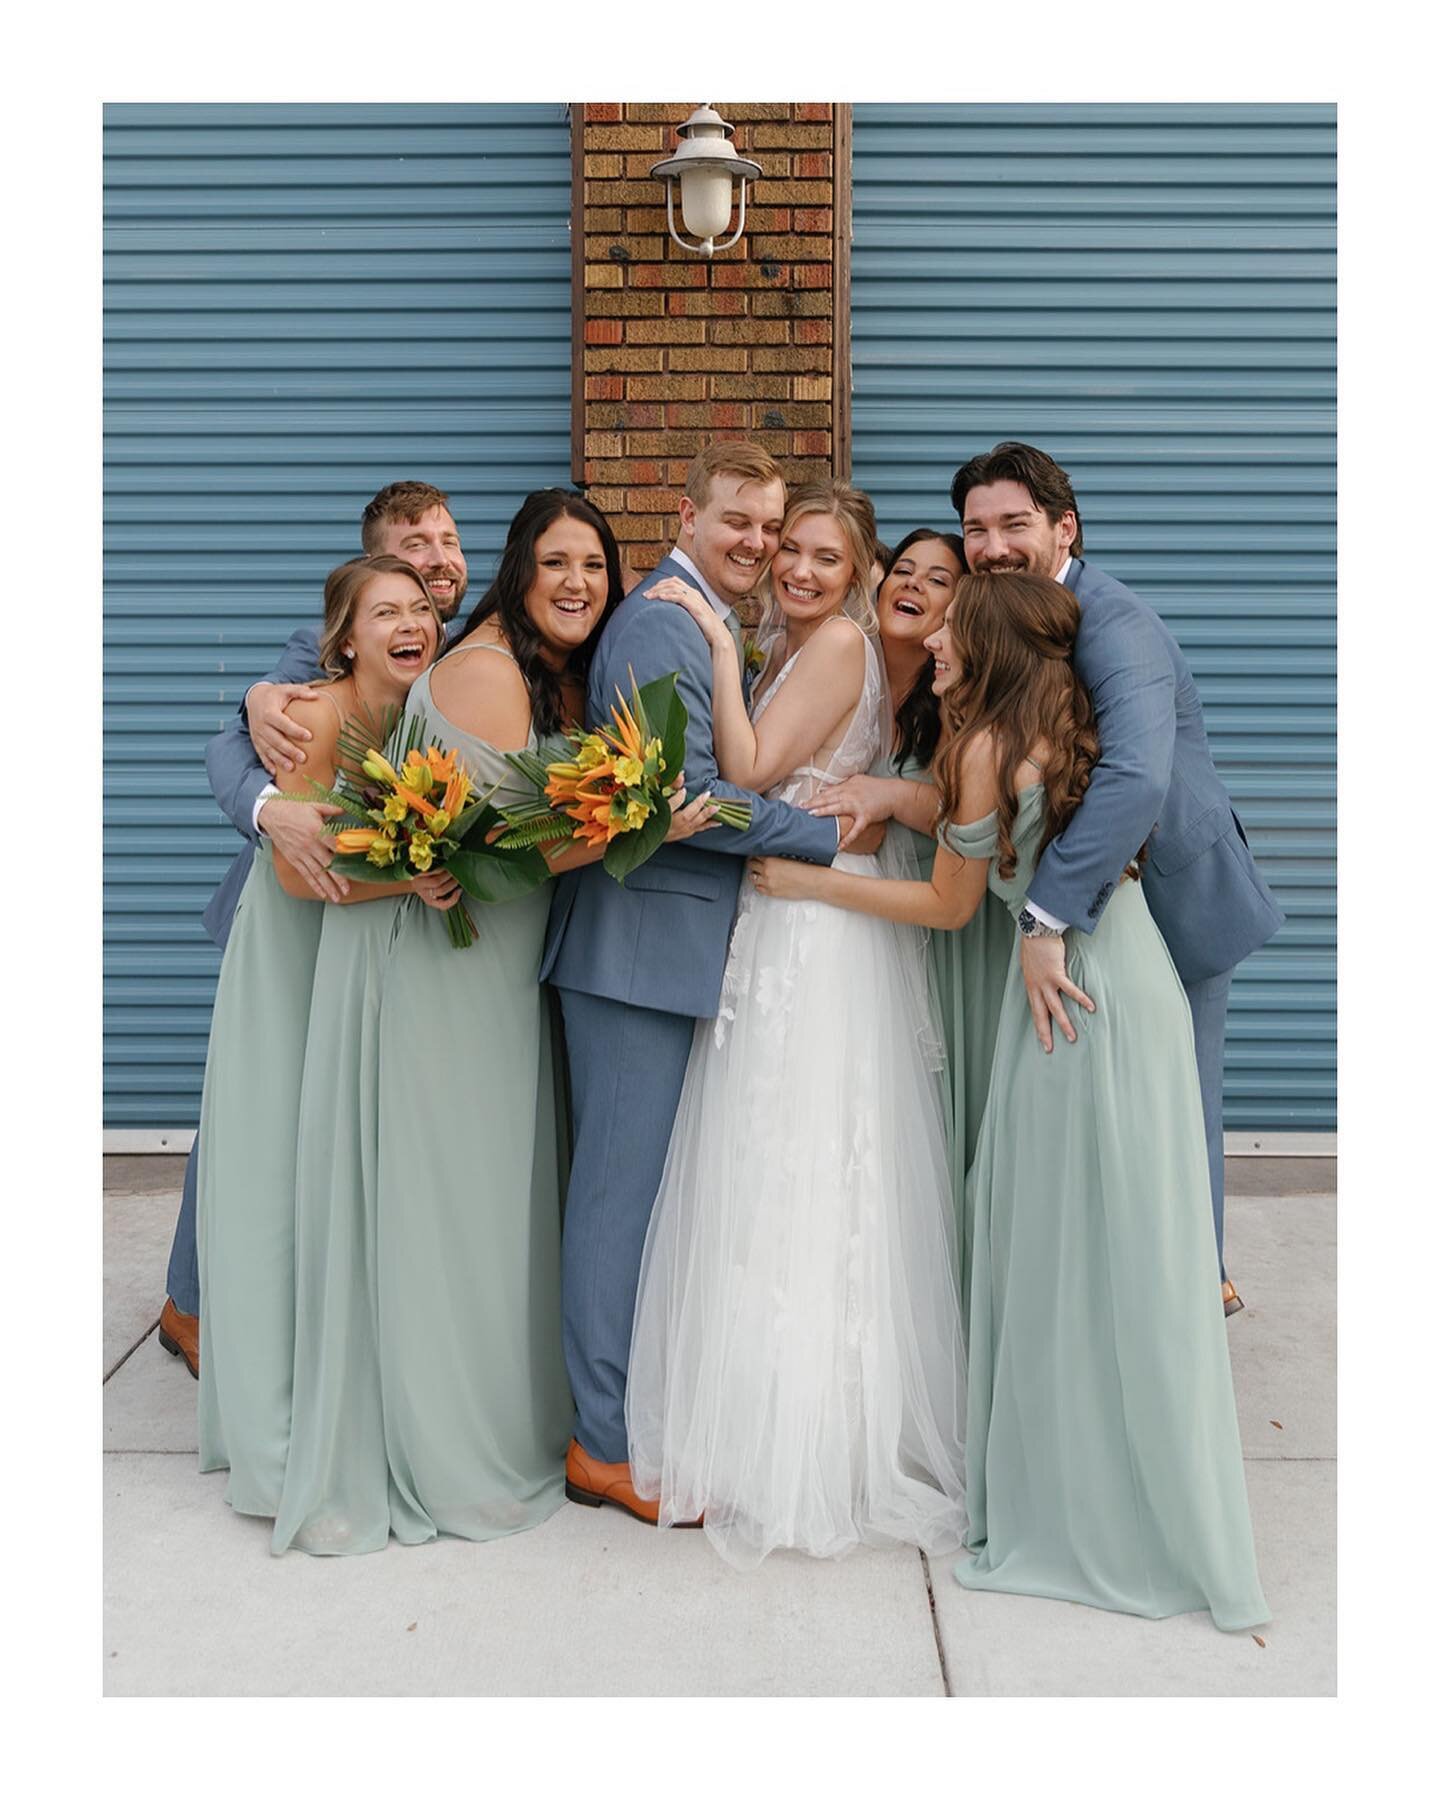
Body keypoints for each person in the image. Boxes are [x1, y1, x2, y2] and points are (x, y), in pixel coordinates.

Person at [751, 571, 1268, 1630]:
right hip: (1134, 987)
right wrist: (906, 798)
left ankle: (1067, 1505)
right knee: (1128, 1246)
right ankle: (1153, 1496)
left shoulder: (985, 745)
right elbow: (976, 823)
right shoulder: (1063, 725)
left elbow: (947, 905)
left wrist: (813, 882)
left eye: (950, 635)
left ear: (985, 646)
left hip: (1059, 1002)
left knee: (1045, 1247)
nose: (933, 646)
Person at [268, 490, 717, 1556]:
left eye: (596, 568)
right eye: (555, 563)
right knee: (443, 1209)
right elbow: (481, 862)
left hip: (500, 972)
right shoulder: (486, 673)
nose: (577, 583)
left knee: (484, 1208)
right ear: (518, 575)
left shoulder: (549, 677)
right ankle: (432, 1439)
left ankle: (501, 1411)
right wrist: (639, 826)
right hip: (443, 968)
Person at [627, 480, 967, 1569]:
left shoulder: (831, 651)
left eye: (827, 556)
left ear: (858, 571)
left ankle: (793, 1433)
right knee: (792, 1164)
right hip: (796, 922)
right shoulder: (822, 645)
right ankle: (791, 1416)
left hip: (810, 933)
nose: (802, 570)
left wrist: (721, 660)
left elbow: (750, 769)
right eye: (793, 552)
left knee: (788, 1160)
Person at [541, 442, 853, 1525]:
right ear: (687, 512)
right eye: (740, 522)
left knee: (630, 1199)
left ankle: (616, 1419)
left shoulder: (707, 620)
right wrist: (828, 834)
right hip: (633, 952)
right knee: (615, 1204)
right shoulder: (670, 620)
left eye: (769, 528)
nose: (758, 544)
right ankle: (603, 1445)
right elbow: (695, 798)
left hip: (658, 952)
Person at [951, 442, 1282, 1313]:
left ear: (1065, 527)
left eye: (1013, 524)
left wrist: (1043, 916)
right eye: (975, 529)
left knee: (1179, 1101)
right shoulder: (1002, 614)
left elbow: (1136, 777)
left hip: (1175, 891)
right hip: (1094, 891)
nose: (991, 546)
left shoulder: (1115, 622)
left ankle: (1191, 1287)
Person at [159, 482, 472, 1379]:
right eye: (416, 545)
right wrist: (267, 799)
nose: (438, 558)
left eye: (448, 541)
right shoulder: (322, 646)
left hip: (369, 925)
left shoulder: (460, 642)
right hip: (294, 910)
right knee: (251, 1116)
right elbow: (234, 739)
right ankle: (194, 1302)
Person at [197, 555, 458, 1521]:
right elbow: (307, 874)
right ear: (342, 638)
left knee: (338, 1170)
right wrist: (420, 882)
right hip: (293, 954)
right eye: (385, 611)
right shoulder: (307, 714)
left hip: (358, 962)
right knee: (277, 1169)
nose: (412, 622)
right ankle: (275, 1419)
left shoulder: (423, 713)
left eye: (422, 610)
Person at [805, 529, 1013, 1317]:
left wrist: (893, 802)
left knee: (922, 1116)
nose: (915, 586)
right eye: (905, 569)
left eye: (940, 578)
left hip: (927, 919)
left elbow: (968, 813)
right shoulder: (833, 656)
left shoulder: (957, 696)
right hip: (837, 926)